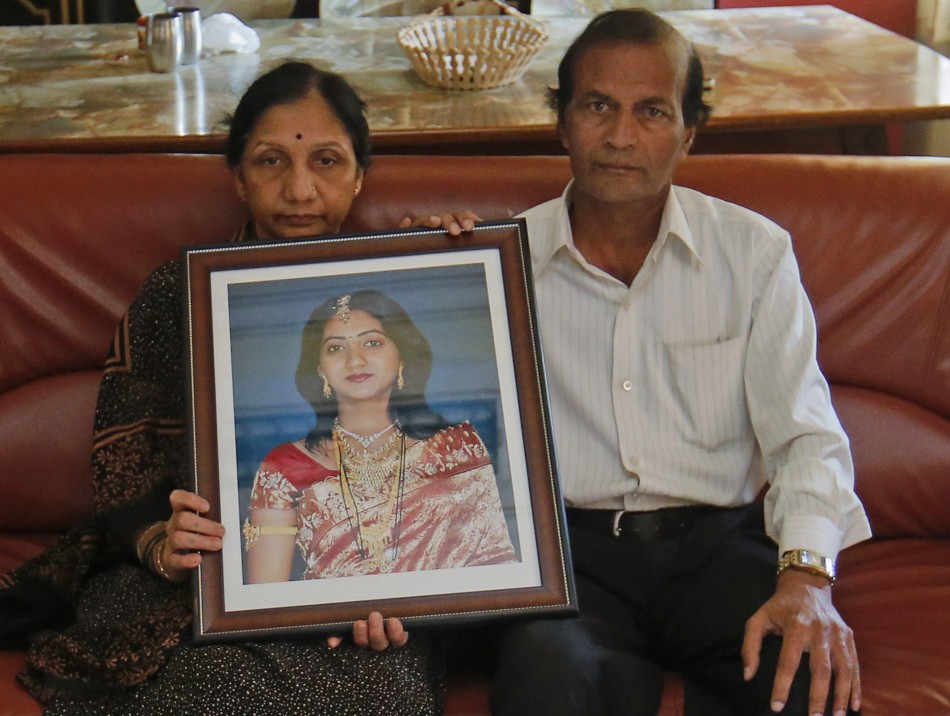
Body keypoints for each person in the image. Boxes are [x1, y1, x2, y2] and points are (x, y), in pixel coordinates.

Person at [0, 61, 473, 715]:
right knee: (216, 683)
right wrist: (161, 544)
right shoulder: (180, 293)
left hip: (366, 593)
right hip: (192, 586)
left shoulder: (403, 283)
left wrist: (455, 267)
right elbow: (124, 463)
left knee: (371, 688)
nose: (299, 188)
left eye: (327, 162)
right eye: (271, 162)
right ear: (238, 178)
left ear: (360, 176)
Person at [488, 9, 872, 716]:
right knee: (548, 675)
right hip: (573, 560)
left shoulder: (753, 254)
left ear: (690, 131)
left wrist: (807, 579)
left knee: (806, 676)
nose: (621, 136)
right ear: (562, 121)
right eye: (598, 106)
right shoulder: (498, 261)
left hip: (723, 548)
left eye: (652, 111)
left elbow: (806, 437)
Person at [244, 289, 516, 582]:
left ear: (402, 356)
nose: (355, 360)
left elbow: (494, 572)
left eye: (372, 343)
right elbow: (267, 595)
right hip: (331, 627)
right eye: (336, 348)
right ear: (319, 368)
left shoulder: (456, 451)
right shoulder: (285, 466)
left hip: (448, 624)